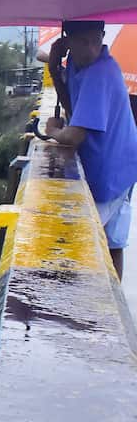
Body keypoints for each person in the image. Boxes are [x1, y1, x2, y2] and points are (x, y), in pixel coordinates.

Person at [42, 19, 137, 278]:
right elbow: (74, 108)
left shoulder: (100, 71)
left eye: (97, 40)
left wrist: (53, 132)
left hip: (113, 169)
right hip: (119, 163)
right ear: (67, 42)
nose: (92, 48)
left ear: (103, 36)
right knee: (111, 241)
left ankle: (109, 303)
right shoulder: (75, 63)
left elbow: (73, 135)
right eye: (83, 41)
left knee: (90, 241)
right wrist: (54, 67)